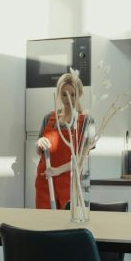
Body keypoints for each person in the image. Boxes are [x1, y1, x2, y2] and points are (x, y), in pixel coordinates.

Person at [34, 71, 93, 210]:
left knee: (65, 226)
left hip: (70, 185)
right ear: (59, 94)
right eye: (64, 94)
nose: (68, 98)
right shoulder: (48, 118)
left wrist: (57, 170)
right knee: (44, 226)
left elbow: (81, 159)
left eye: (72, 94)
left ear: (79, 94)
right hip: (45, 181)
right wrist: (39, 143)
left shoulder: (86, 122)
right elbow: (38, 151)